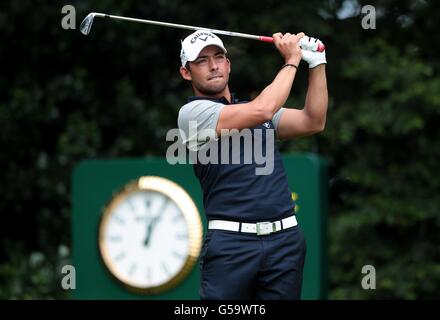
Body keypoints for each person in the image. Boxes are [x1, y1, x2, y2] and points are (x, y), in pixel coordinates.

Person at [177, 29, 328, 300]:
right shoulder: (192, 114)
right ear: (186, 73)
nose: (213, 66)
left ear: (229, 64)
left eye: (219, 57)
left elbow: (313, 120)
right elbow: (263, 110)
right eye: (201, 61)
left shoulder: (253, 109)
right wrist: (292, 59)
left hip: (285, 241)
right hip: (231, 246)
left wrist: (317, 62)